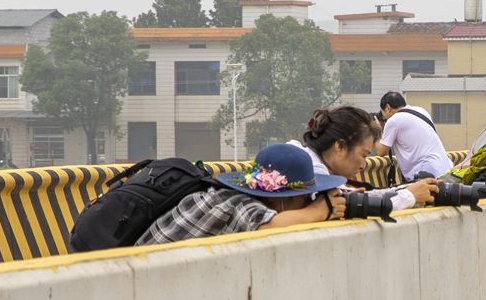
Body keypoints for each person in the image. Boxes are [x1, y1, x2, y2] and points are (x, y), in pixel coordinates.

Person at [138, 142, 345, 245]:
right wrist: (321, 210)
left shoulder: (228, 196)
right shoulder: (235, 204)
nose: (308, 203)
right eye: (307, 197)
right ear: (285, 197)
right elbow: (271, 227)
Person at [302, 106, 435, 213]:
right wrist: (408, 197)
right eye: (364, 155)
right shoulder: (310, 169)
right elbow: (348, 206)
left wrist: (408, 189)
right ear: (340, 146)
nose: (363, 165)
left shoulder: (318, 164)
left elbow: (364, 198)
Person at [374, 91, 450, 183]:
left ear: (388, 107)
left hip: (426, 173)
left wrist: (377, 129)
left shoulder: (394, 120)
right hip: (446, 169)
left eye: (383, 112)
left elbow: (381, 151)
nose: (384, 117)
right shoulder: (421, 110)